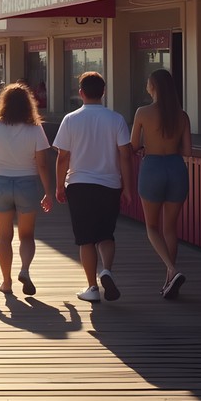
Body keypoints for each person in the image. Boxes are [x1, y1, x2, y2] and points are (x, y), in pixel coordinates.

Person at [54, 71, 133, 303]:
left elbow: (62, 156)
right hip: (109, 184)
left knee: (85, 239)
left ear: (81, 93)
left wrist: (59, 185)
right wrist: (127, 187)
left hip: (79, 185)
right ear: (103, 92)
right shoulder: (116, 119)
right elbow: (125, 156)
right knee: (106, 234)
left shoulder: (71, 119)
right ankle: (106, 270)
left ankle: (92, 287)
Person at [0, 84, 53, 295]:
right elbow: (43, 164)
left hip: (0, 182)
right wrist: (48, 191)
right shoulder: (35, 128)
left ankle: (6, 282)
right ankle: (25, 270)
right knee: (27, 236)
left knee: (4, 237)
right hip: (27, 184)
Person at [130, 68, 192, 299]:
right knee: (170, 228)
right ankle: (169, 279)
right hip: (176, 168)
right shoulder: (181, 115)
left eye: (148, 82)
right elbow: (187, 150)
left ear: (153, 86)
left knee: (152, 227)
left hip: (153, 168)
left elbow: (133, 145)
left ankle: (172, 269)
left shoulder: (142, 113)